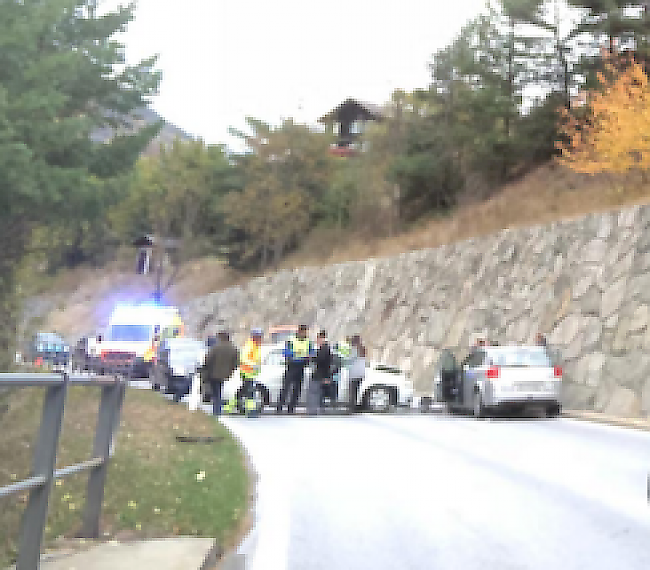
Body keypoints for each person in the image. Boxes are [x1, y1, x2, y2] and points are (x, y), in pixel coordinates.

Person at [278, 324, 314, 414]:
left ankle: (291, 408)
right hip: (291, 366)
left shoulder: (308, 341)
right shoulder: (291, 340)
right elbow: (285, 352)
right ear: (299, 331)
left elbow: (312, 352)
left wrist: (309, 356)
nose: (304, 333)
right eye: (303, 331)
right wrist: (293, 354)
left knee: (297, 389)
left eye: (305, 332)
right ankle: (280, 407)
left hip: (301, 366)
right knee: (286, 388)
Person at [202, 330, 239, 416]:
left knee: (216, 393)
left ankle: (216, 411)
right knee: (220, 392)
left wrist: (205, 370)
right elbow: (236, 362)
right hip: (227, 375)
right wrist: (231, 371)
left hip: (214, 374)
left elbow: (208, 360)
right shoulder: (233, 348)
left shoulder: (215, 348)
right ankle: (218, 410)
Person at [239, 328, 263, 416]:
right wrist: (253, 365)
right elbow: (244, 359)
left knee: (246, 391)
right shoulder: (249, 346)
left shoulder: (256, 346)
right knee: (250, 392)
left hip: (251, 373)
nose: (260, 339)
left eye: (260, 337)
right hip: (247, 372)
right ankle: (250, 411)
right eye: (258, 337)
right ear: (254, 337)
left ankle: (231, 407)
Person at [309, 330, 333, 415]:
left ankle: (313, 410)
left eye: (318, 339)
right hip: (322, 373)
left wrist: (312, 358)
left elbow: (322, 360)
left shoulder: (324, 348)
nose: (317, 341)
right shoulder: (325, 348)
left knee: (313, 392)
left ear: (322, 338)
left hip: (320, 373)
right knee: (318, 393)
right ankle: (318, 409)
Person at [347, 335, 367, 414]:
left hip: (355, 372)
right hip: (361, 373)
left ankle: (352, 407)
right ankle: (355, 406)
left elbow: (350, 359)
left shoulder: (354, 349)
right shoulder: (362, 349)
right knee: (356, 390)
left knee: (352, 391)